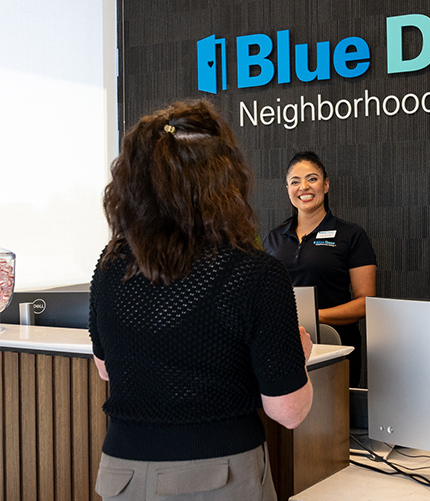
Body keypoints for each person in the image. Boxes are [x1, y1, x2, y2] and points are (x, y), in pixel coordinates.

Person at [88, 99, 313, 500]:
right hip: (219, 477)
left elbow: (107, 369)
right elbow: (288, 411)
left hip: (120, 476)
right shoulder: (255, 273)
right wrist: (295, 355)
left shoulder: (109, 268)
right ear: (225, 180)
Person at [264, 152, 376, 387]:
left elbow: (366, 302)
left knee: (331, 420)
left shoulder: (351, 235)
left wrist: (313, 318)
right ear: (287, 188)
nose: (303, 186)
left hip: (335, 346)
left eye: (312, 179)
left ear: (325, 185)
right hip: (281, 346)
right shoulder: (273, 239)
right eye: (295, 181)